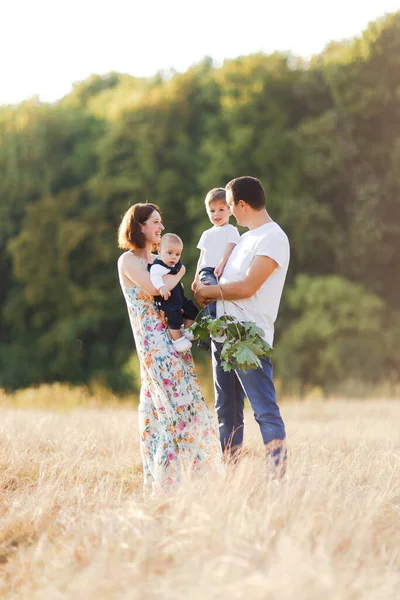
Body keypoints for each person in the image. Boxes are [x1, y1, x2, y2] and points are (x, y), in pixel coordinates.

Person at [117, 203, 223, 494]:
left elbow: (171, 295)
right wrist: (180, 272)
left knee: (161, 406)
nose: (160, 228)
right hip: (153, 345)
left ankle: (189, 479)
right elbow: (154, 291)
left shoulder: (158, 258)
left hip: (172, 338)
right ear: (139, 227)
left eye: (160, 222)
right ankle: (165, 485)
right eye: (155, 222)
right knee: (170, 409)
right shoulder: (128, 261)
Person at [194, 176, 290, 477]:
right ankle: (231, 478)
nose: (229, 212)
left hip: (248, 339)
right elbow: (224, 279)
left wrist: (212, 292)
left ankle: (277, 478)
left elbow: (249, 286)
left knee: (264, 412)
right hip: (223, 335)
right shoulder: (245, 238)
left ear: (243, 205)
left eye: (231, 206)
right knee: (226, 414)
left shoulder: (272, 238)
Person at [191, 188, 240, 349]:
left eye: (221, 209)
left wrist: (221, 263)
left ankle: (218, 329)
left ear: (229, 211)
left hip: (222, 269)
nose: (216, 214)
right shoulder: (206, 234)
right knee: (210, 297)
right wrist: (196, 277)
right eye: (212, 211)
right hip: (207, 271)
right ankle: (207, 332)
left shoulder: (231, 230)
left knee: (220, 301)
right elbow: (202, 256)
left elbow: (231, 247)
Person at [148, 233, 198, 353]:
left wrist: (177, 282)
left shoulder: (175, 264)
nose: (173, 257)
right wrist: (161, 287)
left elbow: (174, 276)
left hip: (179, 297)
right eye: (169, 253)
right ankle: (178, 340)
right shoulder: (157, 266)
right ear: (159, 251)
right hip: (167, 300)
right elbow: (155, 277)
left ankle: (188, 330)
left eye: (177, 254)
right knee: (173, 317)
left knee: (192, 309)